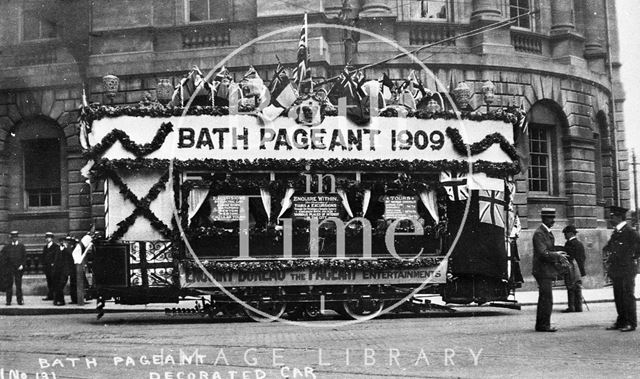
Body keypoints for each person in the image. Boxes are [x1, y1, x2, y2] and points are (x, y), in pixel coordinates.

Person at [603, 205, 639, 332]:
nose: (610, 219)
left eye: (612, 216)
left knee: (627, 296)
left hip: (627, 270)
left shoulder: (630, 232)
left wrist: (630, 258)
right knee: (618, 296)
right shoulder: (616, 232)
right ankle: (621, 321)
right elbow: (609, 247)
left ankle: (631, 322)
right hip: (617, 270)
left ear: (619, 217)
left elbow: (638, 248)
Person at [532, 208, 567, 332]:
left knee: (545, 297)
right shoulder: (540, 233)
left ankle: (542, 324)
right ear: (544, 219)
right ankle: (543, 325)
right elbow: (542, 253)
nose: (553, 221)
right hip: (542, 270)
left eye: (553, 218)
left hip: (545, 270)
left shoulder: (546, 232)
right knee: (546, 298)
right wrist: (557, 255)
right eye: (550, 218)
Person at [561, 225, 586, 313]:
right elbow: (583, 257)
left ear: (570, 233)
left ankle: (571, 307)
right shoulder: (579, 243)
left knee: (570, 287)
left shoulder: (569, 244)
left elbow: (568, 257)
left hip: (571, 269)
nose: (564, 235)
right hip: (579, 269)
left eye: (566, 233)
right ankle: (578, 307)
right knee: (578, 287)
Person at [1, 231, 27, 305]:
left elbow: (24, 257)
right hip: (9, 269)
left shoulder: (21, 246)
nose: (14, 239)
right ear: (11, 238)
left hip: (18, 269)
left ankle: (19, 300)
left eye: (15, 237)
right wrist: (6, 267)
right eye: (13, 237)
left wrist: (22, 265)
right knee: (9, 285)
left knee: (18, 285)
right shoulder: (7, 247)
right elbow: (3, 257)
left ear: (17, 238)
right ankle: (8, 301)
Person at [52, 236, 74, 306]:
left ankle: (59, 300)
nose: (62, 243)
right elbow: (55, 259)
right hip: (57, 271)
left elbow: (71, 258)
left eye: (63, 241)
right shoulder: (57, 249)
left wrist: (66, 248)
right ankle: (58, 300)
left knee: (61, 285)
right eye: (61, 241)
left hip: (64, 271)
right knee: (57, 286)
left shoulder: (67, 250)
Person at [41, 232, 58, 301]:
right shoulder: (45, 247)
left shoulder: (55, 247)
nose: (48, 239)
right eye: (47, 238)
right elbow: (43, 257)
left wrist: (53, 263)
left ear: (52, 238)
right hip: (47, 268)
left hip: (53, 268)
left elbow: (57, 257)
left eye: (49, 238)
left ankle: (54, 295)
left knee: (54, 282)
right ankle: (50, 295)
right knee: (49, 282)